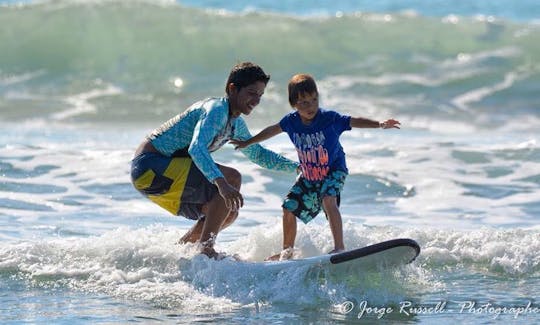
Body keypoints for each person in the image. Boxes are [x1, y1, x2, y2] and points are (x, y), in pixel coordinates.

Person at [130, 62, 299, 259]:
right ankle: (206, 250)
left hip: (154, 178)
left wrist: (297, 167)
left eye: (260, 95)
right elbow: (197, 147)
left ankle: (180, 253)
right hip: (151, 165)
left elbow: (259, 155)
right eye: (252, 93)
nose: (256, 101)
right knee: (232, 179)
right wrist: (221, 184)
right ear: (232, 89)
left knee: (226, 212)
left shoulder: (236, 124)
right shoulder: (216, 109)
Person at [230, 73, 400, 260]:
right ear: (294, 104)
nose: (310, 106)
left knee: (329, 200)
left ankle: (340, 248)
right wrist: (249, 142)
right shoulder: (291, 122)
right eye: (303, 102)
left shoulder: (329, 118)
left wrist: (380, 124)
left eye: (313, 100)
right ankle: (287, 252)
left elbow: (353, 121)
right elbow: (272, 130)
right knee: (288, 207)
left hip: (334, 170)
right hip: (310, 175)